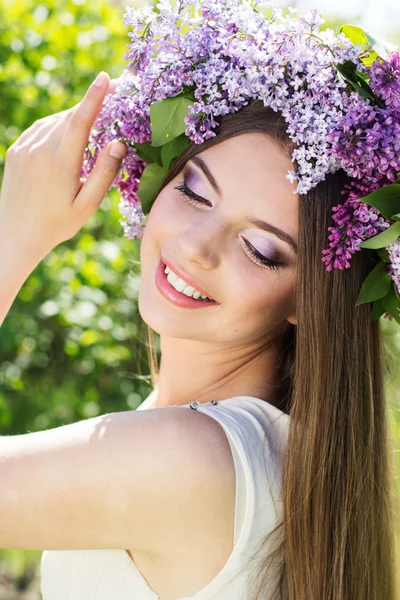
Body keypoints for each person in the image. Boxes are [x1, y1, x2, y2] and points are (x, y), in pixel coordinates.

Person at [0, 1, 398, 599]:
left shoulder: (194, 461)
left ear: (309, 301)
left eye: (261, 249)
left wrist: (16, 235)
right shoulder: (252, 451)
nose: (194, 247)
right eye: (193, 190)